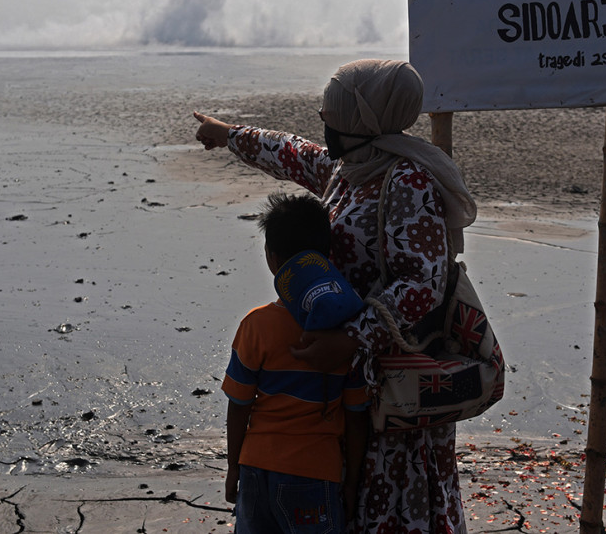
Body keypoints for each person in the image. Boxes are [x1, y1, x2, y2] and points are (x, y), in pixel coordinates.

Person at [196, 59, 478, 534]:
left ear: (362, 118)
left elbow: (423, 284)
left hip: (390, 384)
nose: (324, 120)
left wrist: (353, 338)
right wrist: (229, 135)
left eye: (334, 111)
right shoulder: (350, 169)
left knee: (388, 505)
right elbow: (292, 152)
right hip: (348, 380)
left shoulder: (407, 181)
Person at [223, 191, 370, 533]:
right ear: (327, 257)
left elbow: (239, 405)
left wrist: (233, 467)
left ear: (271, 258)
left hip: (256, 467)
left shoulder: (256, 325)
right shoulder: (347, 333)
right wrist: (352, 483)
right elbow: (356, 416)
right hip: (315, 472)